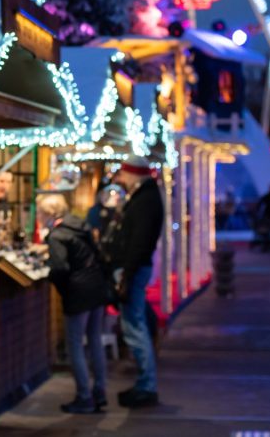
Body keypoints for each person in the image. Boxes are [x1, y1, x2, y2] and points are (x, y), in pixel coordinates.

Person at [40, 193, 110, 414]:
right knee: (95, 340)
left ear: (50, 214)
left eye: (40, 213)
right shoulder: (80, 226)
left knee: (75, 345)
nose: (39, 217)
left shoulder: (57, 236)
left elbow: (60, 268)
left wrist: (57, 283)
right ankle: (100, 391)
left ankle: (84, 396)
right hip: (96, 287)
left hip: (78, 292)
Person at [104, 155, 164, 409]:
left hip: (133, 270)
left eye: (124, 174)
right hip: (134, 269)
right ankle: (145, 383)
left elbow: (139, 242)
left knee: (134, 326)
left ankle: (146, 384)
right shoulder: (146, 198)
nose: (121, 179)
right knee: (135, 324)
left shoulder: (144, 200)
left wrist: (126, 273)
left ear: (133, 174)